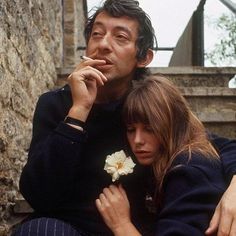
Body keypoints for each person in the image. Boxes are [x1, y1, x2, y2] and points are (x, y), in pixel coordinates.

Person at [12, 0, 236, 235]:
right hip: (65, 227)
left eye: (120, 37)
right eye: (97, 34)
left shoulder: (145, 108)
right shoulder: (55, 104)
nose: (104, 44)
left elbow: (211, 145)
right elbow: (37, 194)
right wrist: (78, 112)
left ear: (144, 58)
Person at [95, 75, 229, 235]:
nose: (137, 140)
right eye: (131, 130)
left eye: (149, 129)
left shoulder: (189, 170)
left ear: (173, 125)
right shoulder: (170, 158)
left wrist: (121, 225)